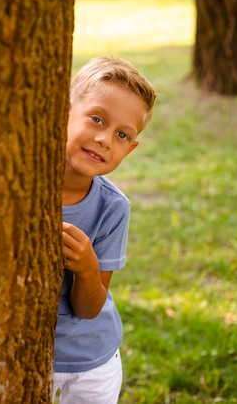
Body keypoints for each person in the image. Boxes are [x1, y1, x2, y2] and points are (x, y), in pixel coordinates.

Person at [53, 56, 156, 404]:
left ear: (131, 148)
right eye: (97, 118)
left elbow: (88, 308)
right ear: (63, 111)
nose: (104, 139)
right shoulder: (20, 188)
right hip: (26, 358)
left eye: (122, 135)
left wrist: (87, 267)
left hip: (90, 365)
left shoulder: (112, 208)